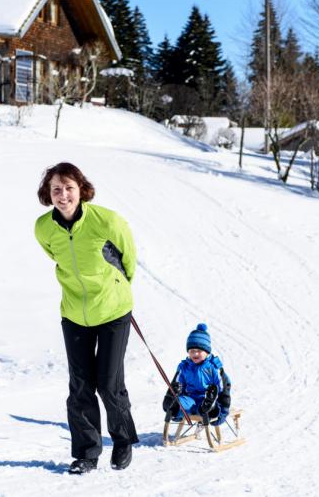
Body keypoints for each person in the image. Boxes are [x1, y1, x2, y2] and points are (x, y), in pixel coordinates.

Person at [35, 162, 138, 474]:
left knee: (109, 383)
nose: (63, 195)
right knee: (80, 386)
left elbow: (128, 257)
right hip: (74, 313)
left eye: (69, 188)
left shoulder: (105, 221)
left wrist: (119, 287)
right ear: (48, 194)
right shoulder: (43, 227)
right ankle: (86, 453)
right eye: (56, 189)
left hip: (113, 311)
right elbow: (55, 256)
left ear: (81, 190)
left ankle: (122, 440)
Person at [162, 324, 231, 425]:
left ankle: (210, 407)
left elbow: (224, 390)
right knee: (180, 402)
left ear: (207, 352)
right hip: (191, 399)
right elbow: (176, 384)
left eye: (199, 351)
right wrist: (172, 394)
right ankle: (174, 407)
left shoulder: (214, 368)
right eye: (192, 351)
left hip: (207, 399)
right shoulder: (184, 367)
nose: (195, 354)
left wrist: (223, 414)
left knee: (209, 406)